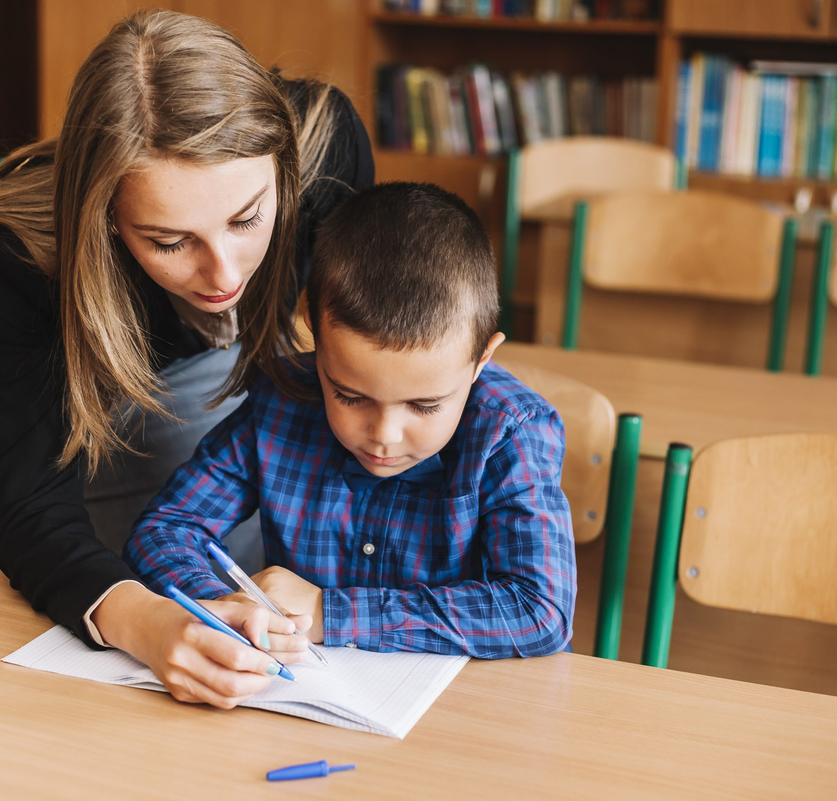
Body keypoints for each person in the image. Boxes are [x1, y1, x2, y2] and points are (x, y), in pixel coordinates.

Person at [0, 9, 373, 708]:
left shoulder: (328, 148)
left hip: (263, 437)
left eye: (246, 218)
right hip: (115, 455)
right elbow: (29, 504)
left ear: (284, 169)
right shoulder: (25, 256)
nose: (224, 273)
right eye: (169, 241)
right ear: (104, 214)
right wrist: (144, 620)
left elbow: (359, 362)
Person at [123, 182, 576, 660]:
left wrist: (329, 612)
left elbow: (540, 610)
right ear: (312, 327)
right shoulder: (284, 400)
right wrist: (225, 605)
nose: (384, 435)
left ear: (481, 358)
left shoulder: (510, 432)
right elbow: (165, 530)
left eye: (424, 406)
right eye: (350, 396)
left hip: (462, 716)